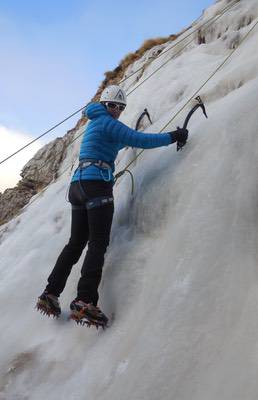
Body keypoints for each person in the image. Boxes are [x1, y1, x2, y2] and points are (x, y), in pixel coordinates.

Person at [36, 85, 188, 328]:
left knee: (76, 243)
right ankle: (84, 299)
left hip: (78, 187)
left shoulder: (96, 121)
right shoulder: (108, 122)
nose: (117, 110)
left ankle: (50, 293)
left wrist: (122, 144)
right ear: (106, 104)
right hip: (97, 185)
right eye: (113, 106)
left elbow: (115, 143)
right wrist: (173, 136)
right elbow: (138, 139)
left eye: (121, 107)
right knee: (97, 243)